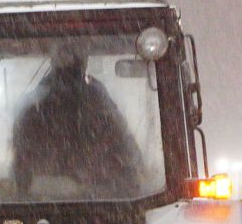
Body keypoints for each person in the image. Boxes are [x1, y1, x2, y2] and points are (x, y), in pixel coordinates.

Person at [10, 43, 145, 199]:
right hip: (96, 202)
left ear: (53, 61)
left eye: (72, 55)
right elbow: (124, 149)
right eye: (67, 55)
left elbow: (20, 164)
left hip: (52, 201)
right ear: (84, 62)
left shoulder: (34, 104)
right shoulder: (98, 101)